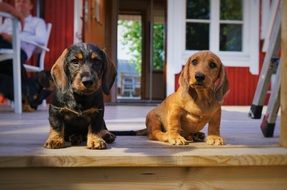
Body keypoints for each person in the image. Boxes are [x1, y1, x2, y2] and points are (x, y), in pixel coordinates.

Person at [0, 0, 47, 110]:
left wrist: (15, 38)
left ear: (31, 6)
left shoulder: (37, 22)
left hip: (20, 50)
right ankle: (28, 93)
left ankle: (27, 94)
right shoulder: (8, 21)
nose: (20, 4)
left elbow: (41, 39)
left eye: (24, 1)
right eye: (17, 1)